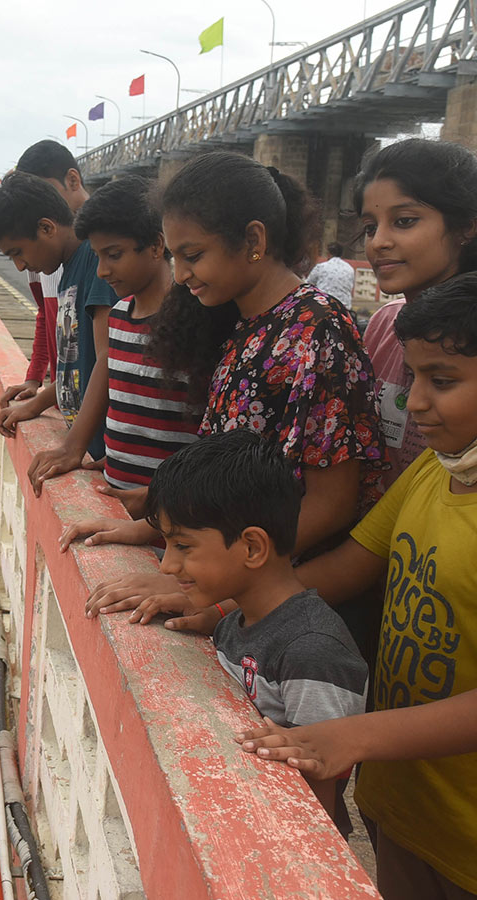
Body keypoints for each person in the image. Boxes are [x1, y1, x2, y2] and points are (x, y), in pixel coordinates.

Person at [237, 279, 477, 900]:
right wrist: (219, 596)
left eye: (443, 382)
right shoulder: (432, 470)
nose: (415, 402)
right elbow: (352, 561)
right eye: (415, 378)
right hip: (400, 801)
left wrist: (355, 735)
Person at [74, 152, 383, 626]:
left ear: (254, 240)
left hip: (279, 604)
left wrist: (210, 584)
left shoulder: (318, 333)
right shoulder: (244, 324)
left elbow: (332, 501)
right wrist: (154, 530)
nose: (179, 275)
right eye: (175, 257)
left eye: (193, 256)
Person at [146, 430, 368, 825]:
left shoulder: (313, 652)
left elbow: (317, 794)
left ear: (252, 547)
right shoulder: (235, 620)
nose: (166, 566)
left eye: (183, 546)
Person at [56, 175, 197, 496]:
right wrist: (79, 448)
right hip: (117, 504)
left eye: (114, 255)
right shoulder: (119, 316)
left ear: (156, 245)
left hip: (171, 517)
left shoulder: (193, 320)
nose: (102, 270)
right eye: (98, 256)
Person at [0, 141, 118, 492]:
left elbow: (108, 357)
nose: (18, 266)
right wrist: (40, 401)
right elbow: (75, 360)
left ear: (46, 227)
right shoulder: (64, 265)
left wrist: (72, 446)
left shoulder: (97, 260)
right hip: (94, 446)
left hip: (111, 454)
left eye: (17, 252)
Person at [353, 138, 477, 488]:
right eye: (369, 227)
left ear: (466, 226)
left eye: (404, 221)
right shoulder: (383, 325)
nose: (378, 242)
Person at [306, 242, 356, 308]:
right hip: (345, 308)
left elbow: (308, 284)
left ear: (329, 254)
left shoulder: (321, 267)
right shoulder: (350, 268)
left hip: (324, 306)